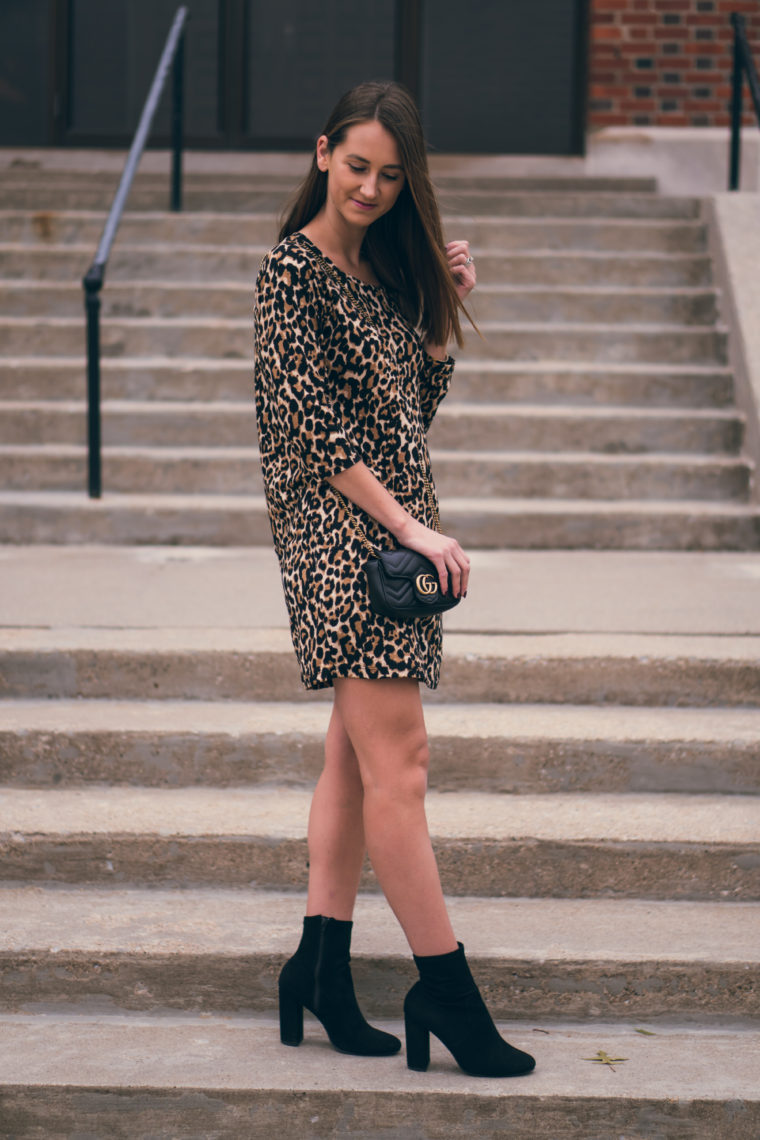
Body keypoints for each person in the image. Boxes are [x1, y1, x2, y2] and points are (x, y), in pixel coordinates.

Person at [253, 81, 535, 1079]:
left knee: (354, 758)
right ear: (323, 151)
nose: (370, 187)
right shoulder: (291, 272)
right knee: (401, 762)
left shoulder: (374, 273)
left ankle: (319, 971)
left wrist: (439, 316)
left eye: (389, 174)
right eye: (357, 165)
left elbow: (403, 415)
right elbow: (315, 431)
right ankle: (445, 993)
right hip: (344, 544)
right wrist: (414, 525)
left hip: (380, 535)